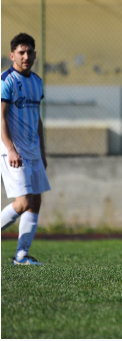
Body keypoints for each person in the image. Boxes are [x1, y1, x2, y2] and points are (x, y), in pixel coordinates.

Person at [1, 33, 50, 265]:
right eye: (21, 52)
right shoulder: (6, 80)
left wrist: (42, 151)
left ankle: (21, 254)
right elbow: (0, 116)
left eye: (30, 52)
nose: (26, 56)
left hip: (33, 151)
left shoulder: (37, 82)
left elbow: (37, 119)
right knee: (23, 203)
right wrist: (10, 149)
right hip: (13, 151)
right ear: (12, 55)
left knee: (36, 202)